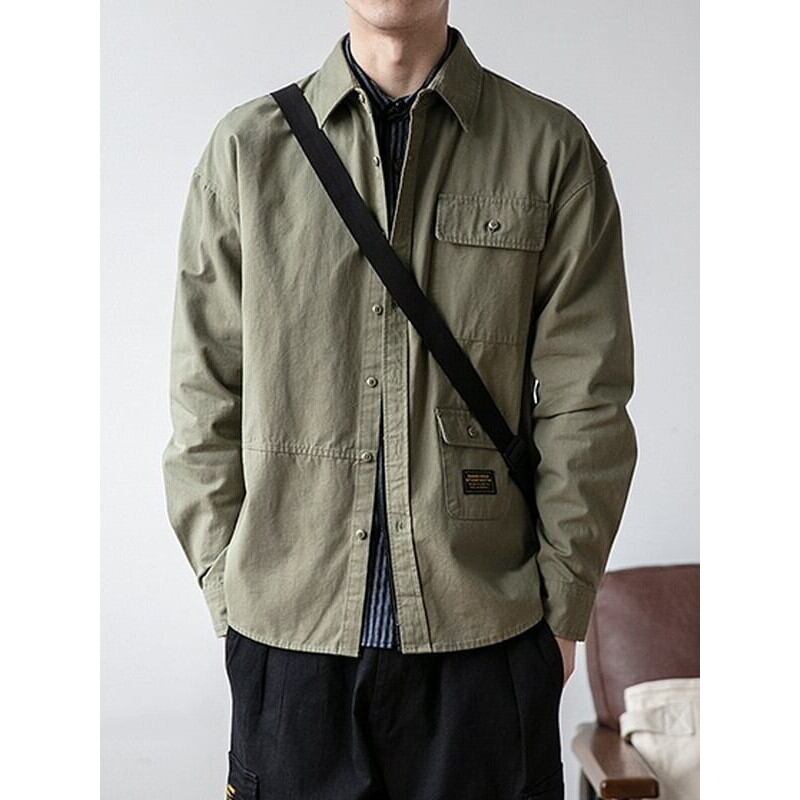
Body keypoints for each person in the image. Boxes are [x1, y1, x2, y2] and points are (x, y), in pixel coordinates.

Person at [162, 1, 637, 797]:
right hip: (290, 642)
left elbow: (586, 399)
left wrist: (561, 611)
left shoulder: (550, 151)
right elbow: (203, 393)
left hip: (486, 639)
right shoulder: (246, 151)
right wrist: (229, 591)